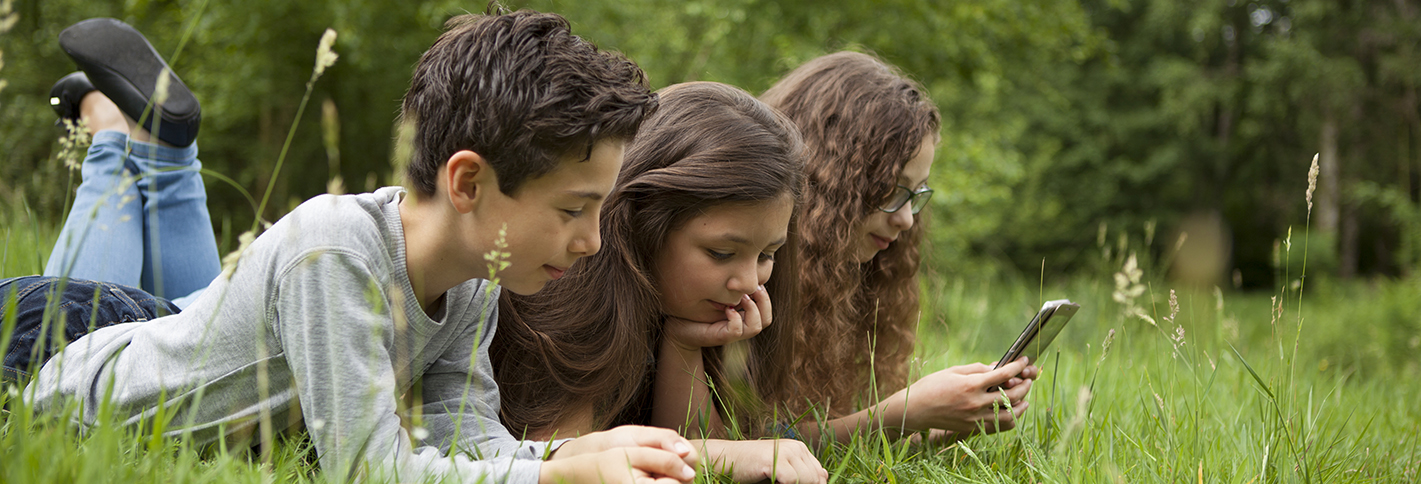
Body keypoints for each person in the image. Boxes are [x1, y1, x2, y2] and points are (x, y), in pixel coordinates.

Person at [5, 13, 704, 484]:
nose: (591, 241)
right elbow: (368, 468)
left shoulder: (471, 281)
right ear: (467, 182)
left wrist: (583, 451)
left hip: (170, 326)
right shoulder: (335, 252)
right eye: (572, 209)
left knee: (185, 322)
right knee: (90, 302)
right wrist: (553, 475)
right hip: (51, 370)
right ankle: (110, 134)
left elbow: (466, 442)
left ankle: (151, 146)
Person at [655, 51, 1042, 444]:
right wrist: (901, 415)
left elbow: (768, 438)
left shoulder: (831, 277)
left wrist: (933, 427)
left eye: (916, 194)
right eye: (891, 190)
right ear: (833, 181)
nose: (906, 218)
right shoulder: (720, 275)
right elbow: (731, 448)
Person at [491, 82, 827, 483]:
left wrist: (683, 343)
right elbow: (565, 459)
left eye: (767, 254)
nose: (749, 281)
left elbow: (703, 449)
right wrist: (711, 455)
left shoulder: (686, 306)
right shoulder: (570, 295)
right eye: (722, 253)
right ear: (646, 225)